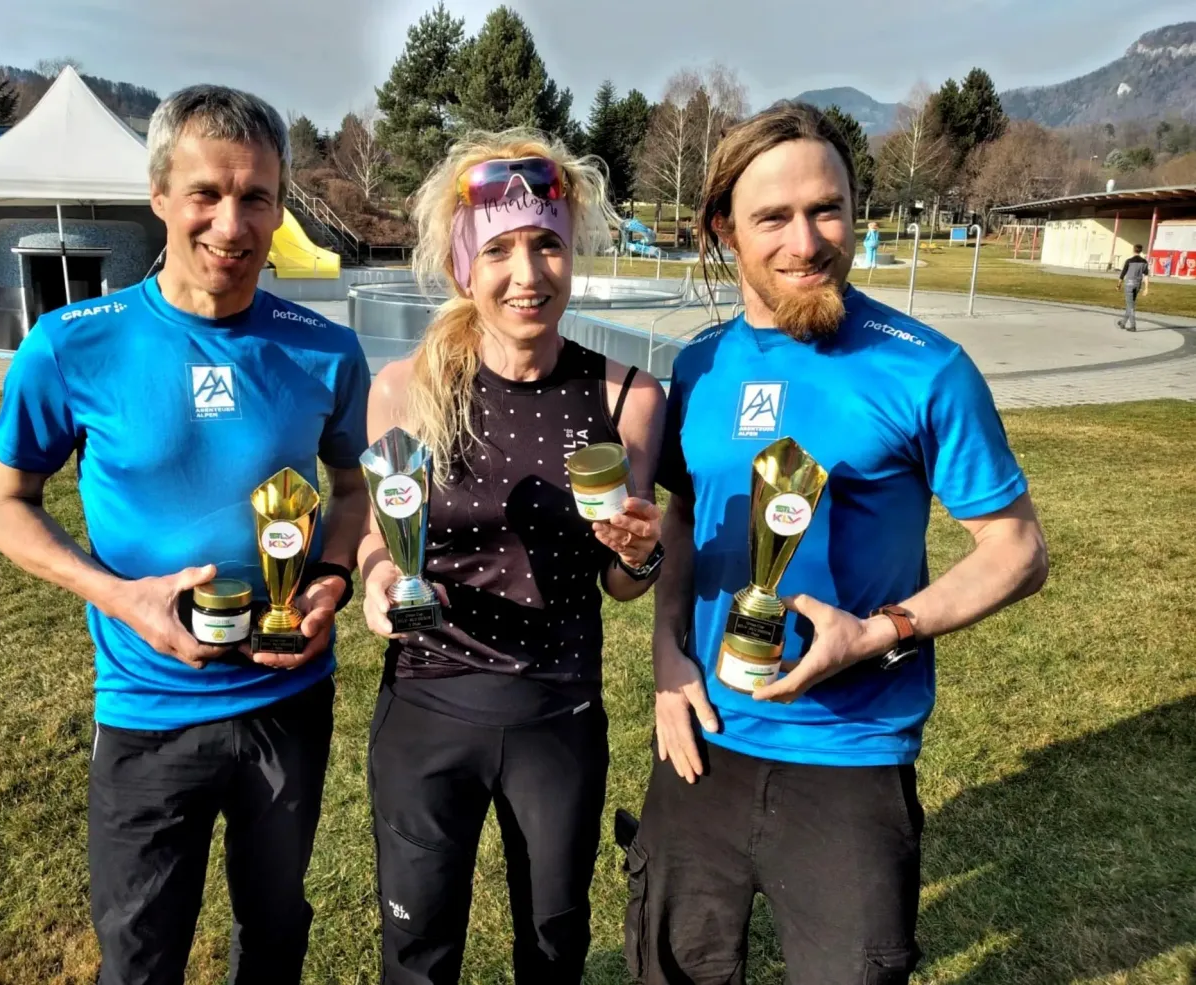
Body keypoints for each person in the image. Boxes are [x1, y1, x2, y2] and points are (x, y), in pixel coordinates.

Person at [626, 101, 1049, 985]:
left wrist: (884, 630)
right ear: (724, 231)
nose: (807, 241)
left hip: (851, 754)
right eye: (772, 218)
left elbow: (1016, 550)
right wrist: (668, 657)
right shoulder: (697, 366)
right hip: (704, 740)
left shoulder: (925, 368)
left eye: (828, 209)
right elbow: (683, 518)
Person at [0, 85, 371, 984]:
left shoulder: (323, 349)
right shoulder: (72, 344)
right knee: (140, 953)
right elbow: (2, 503)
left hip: (287, 698)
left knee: (273, 933)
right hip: (148, 709)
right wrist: (117, 596)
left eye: (257, 197)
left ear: (279, 205)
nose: (232, 224)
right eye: (205, 193)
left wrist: (333, 579)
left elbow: (351, 490)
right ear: (158, 194)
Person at [358, 130, 667, 985]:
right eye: (499, 249)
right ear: (465, 265)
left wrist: (640, 554)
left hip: (557, 711)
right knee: (417, 957)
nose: (527, 274)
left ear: (573, 254)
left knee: (553, 950)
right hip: (428, 707)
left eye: (547, 245)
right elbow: (381, 536)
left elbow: (621, 578)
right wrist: (381, 582)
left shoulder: (628, 393)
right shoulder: (405, 387)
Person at [1117, 243, 1150, 331]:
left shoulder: (1129, 261)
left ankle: (1133, 325)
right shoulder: (1144, 262)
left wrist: (1119, 284)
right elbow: (1146, 276)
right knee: (1130, 304)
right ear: (1141, 251)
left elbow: (1123, 273)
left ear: (1133, 250)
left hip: (1129, 284)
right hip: (1138, 284)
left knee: (1130, 306)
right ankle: (1123, 323)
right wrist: (1146, 288)